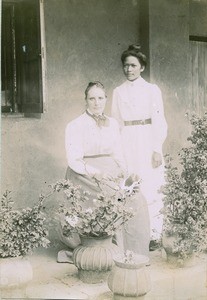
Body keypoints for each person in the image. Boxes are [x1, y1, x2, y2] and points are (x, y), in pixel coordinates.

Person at [58, 81, 150, 262]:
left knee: (135, 195)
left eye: (100, 98)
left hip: (111, 170)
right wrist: (96, 173)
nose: (96, 102)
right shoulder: (75, 125)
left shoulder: (113, 124)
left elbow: (118, 153)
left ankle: (133, 253)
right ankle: (108, 249)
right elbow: (74, 160)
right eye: (92, 98)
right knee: (112, 195)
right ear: (85, 100)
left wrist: (126, 173)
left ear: (106, 99)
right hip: (84, 174)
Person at [111, 45, 168, 246]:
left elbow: (159, 121)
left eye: (133, 65)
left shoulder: (152, 90)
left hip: (147, 138)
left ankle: (153, 235)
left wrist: (156, 149)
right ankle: (128, 233)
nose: (129, 69)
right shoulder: (118, 92)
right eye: (126, 66)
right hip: (127, 140)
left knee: (151, 186)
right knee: (128, 184)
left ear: (142, 67)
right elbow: (116, 122)